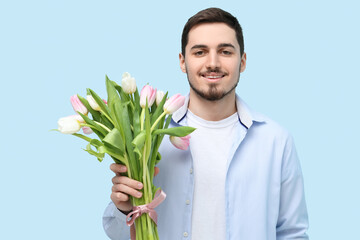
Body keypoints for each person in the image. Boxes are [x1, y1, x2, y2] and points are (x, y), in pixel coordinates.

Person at [103, 7, 309, 240]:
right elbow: (119, 234)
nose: (213, 63)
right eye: (200, 52)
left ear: (242, 61)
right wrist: (123, 208)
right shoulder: (151, 137)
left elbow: (293, 233)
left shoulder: (276, 141)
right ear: (183, 62)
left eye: (225, 52)